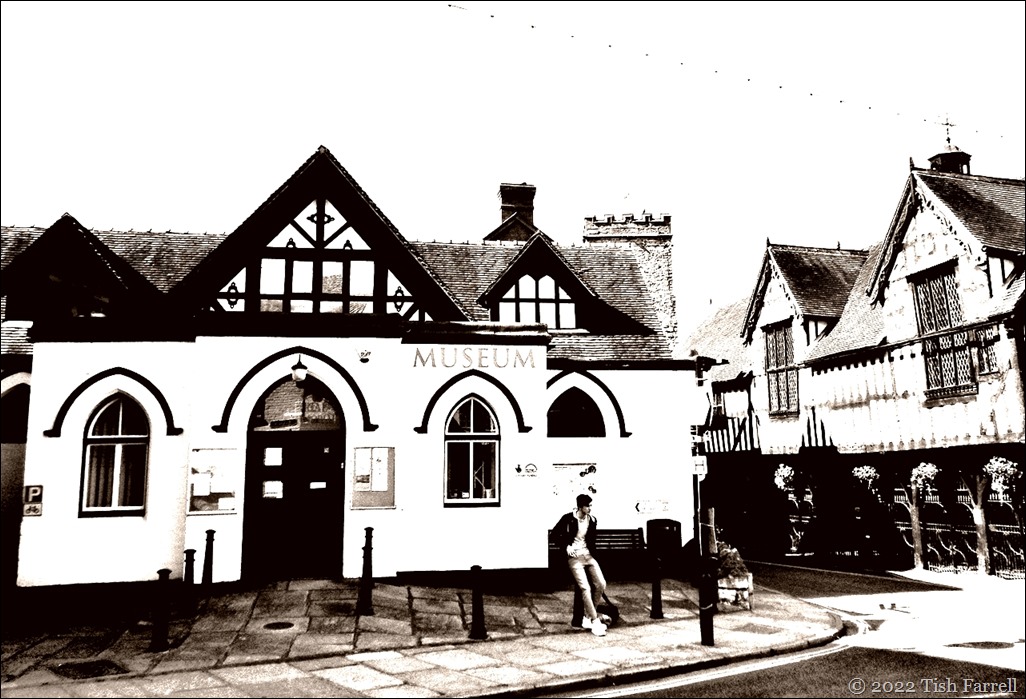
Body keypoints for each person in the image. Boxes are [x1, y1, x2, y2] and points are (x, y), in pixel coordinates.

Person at [552, 493, 610, 636]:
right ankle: (595, 622)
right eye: (587, 506)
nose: (590, 508)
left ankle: (588, 616)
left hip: (588, 556)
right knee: (585, 587)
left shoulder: (592, 520)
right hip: (575, 558)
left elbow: (591, 540)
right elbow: (554, 535)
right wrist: (566, 546)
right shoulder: (568, 519)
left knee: (601, 584)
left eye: (590, 505)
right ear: (580, 506)